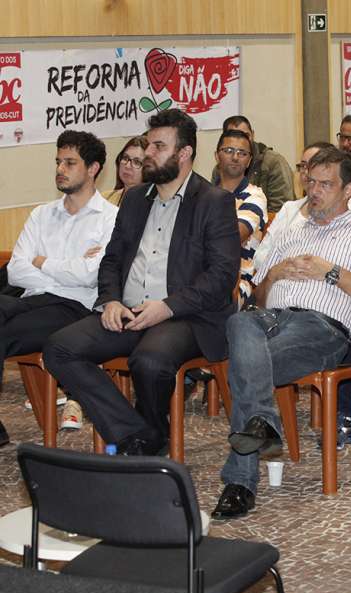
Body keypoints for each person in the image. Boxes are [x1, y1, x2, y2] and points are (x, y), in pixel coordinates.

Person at [211, 147, 351, 519]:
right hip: (269, 321)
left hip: (322, 328)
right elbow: (261, 299)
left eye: (326, 184)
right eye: (311, 182)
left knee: (246, 365)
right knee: (238, 322)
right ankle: (263, 422)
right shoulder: (291, 230)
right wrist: (273, 276)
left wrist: (329, 272)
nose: (314, 191)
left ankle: (239, 483)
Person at [43, 109, 240, 456]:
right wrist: (111, 300)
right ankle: (141, 434)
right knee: (59, 347)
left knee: (149, 362)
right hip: (128, 311)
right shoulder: (134, 199)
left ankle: (141, 440)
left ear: (184, 154)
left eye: (158, 146)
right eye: (149, 144)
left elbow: (222, 276)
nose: (148, 153)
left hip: (184, 315)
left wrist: (167, 307)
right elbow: (112, 260)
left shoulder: (214, 201)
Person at [2, 130, 118, 435]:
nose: (60, 169)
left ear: (93, 169)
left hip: (74, 309)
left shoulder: (110, 218)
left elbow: (89, 276)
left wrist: (42, 261)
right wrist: (67, 267)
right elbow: (15, 270)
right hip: (32, 299)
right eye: (58, 162)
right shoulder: (42, 214)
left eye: (70, 163)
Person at [214, 128, 268, 305]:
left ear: (249, 160)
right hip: (201, 276)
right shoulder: (203, 196)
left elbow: (232, 239)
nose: (235, 157)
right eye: (228, 151)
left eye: (242, 153)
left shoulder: (254, 196)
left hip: (238, 284)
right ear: (216, 155)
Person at [212, 114, 295, 212]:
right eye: (234, 135)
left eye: (246, 135)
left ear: (253, 134)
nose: (241, 140)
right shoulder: (221, 168)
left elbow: (283, 210)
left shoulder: (274, 162)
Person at [103, 135, 149, 207]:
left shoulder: (152, 204)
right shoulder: (105, 198)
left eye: (137, 162)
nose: (127, 166)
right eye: (125, 158)